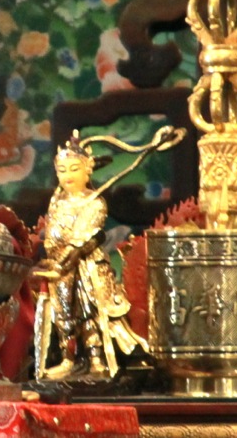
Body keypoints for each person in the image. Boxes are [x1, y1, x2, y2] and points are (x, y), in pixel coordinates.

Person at [33, 134, 147, 380]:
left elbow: (86, 237)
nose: (68, 175)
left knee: (88, 310)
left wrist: (67, 258)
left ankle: (96, 359)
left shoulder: (94, 203)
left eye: (74, 169)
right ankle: (68, 359)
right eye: (62, 170)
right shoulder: (57, 202)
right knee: (63, 312)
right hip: (58, 267)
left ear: (87, 171)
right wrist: (53, 261)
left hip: (85, 266)